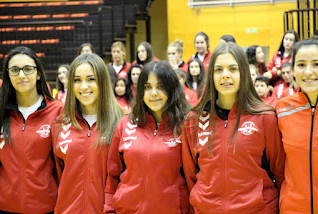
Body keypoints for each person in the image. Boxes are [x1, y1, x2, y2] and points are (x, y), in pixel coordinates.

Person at [182, 42, 285, 213]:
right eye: (218, 70)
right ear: (211, 75)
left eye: (233, 69)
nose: (225, 75)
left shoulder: (265, 117)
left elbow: (280, 173)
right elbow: (190, 175)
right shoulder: (193, 120)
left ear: (243, 73)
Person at [105, 61, 191, 213]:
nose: (153, 93)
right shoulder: (125, 124)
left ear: (171, 89)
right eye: (147, 87)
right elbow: (112, 175)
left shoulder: (185, 126)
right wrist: (109, 209)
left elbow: (193, 179)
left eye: (160, 87)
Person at [51, 53, 124, 213]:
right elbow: (57, 176)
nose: (83, 86)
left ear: (102, 82)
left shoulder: (122, 122)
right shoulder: (59, 124)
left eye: (91, 79)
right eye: (77, 80)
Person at [0, 46, 63, 213]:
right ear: (8, 75)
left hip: (46, 207)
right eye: (14, 70)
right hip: (4, 206)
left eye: (27, 69)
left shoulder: (58, 112)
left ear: (38, 73)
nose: (21, 75)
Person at [275, 38, 318, 213]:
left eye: (316, 64)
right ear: (292, 70)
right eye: (301, 65)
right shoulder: (282, 109)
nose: (308, 72)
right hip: (293, 208)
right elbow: (277, 165)